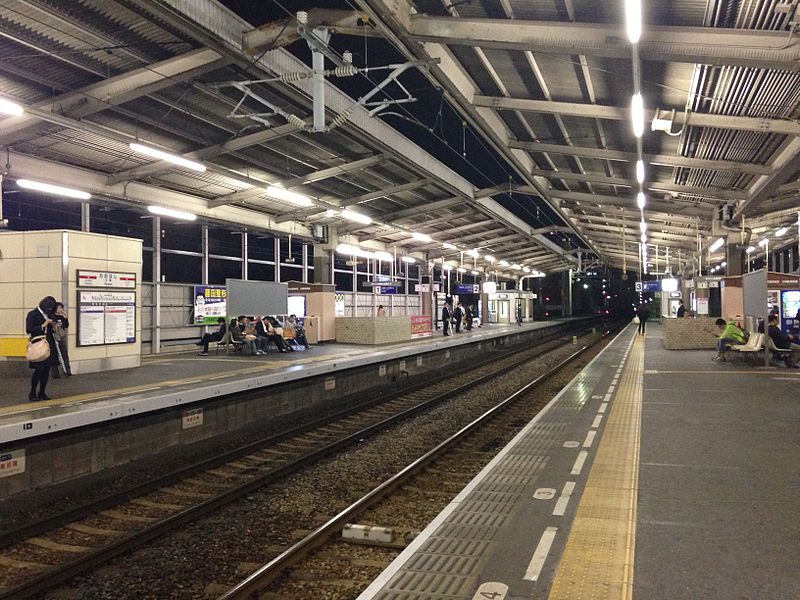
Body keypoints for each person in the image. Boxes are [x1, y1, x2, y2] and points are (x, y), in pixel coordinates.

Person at [26, 296, 59, 401]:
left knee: (46, 370)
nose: (50, 310)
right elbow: (29, 329)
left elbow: (52, 330)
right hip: (39, 344)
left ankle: (42, 392)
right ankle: (32, 392)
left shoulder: (49, 314)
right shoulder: (32, 314)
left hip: (49, 345)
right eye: (49, 308)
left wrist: (54, 326)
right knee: (39, 370)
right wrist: (43, 325)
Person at [50, 302, 72, 378]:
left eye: (61, 308)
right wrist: (55, 325)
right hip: (55, 337)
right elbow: (52, 328)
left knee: (64, 354)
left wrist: (65, 317)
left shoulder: (62, 317)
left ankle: (67, 371)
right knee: (55, 355)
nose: (61, 309)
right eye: (59, 308)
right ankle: (55, 373)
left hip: (62, 336)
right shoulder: (52, 316)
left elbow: (66, 325)